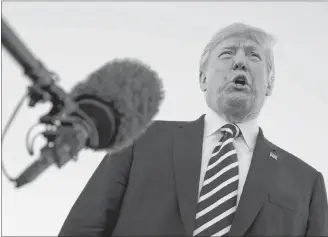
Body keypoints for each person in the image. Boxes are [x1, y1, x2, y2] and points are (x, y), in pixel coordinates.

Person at [58, 23, 328, 236]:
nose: (240, 62)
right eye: (227, 53)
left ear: (269, 84)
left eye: (254, 55)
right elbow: (83, 228)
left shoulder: (307, 183)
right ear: (202, 78)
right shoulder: (140, 140)